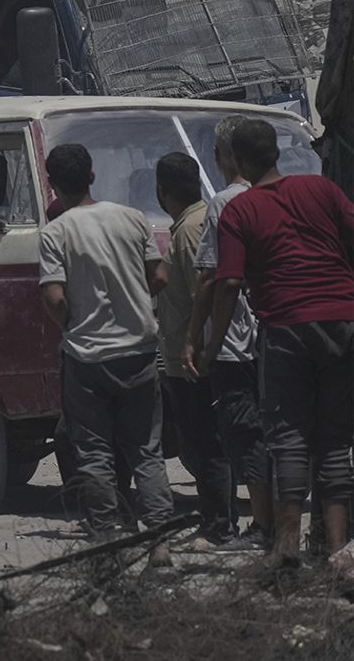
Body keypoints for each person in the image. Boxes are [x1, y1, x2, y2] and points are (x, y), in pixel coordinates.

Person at [205, 118, 354, 569]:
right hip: (342, 322)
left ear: (238, 160)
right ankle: (339, 552)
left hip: (286, 327)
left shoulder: (239, 211)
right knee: (334, 442)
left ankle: (285, 549)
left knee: (289, 440)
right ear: (277, 153)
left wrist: (210, 349)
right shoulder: (321, 189)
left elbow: (229, 283)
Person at [37, 143, 172, 561]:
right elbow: (160, 276)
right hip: (139, 352)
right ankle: (161, 544)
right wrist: (133, 299)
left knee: (94, 453)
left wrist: (73, 322)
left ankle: (107, 542)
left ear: (53, 185)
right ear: (92, 176)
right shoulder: (132, 218)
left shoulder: (56, 232)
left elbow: (54, 298)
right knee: (146, 451)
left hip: (87, 358)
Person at [189, 115, 271, 552]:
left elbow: (212, 279)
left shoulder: (223, 204)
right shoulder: (275, 196)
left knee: (244, 432)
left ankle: (262, 525)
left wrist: (198, 338)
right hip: (274, 335)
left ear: (224, 156)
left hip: (235, 342)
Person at [154, 152, 233, 547]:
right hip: (198, 353)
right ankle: (217, 520)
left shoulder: (188, 231)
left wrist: (194, 346)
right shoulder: (201, 220)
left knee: (204, 443)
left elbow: (200, 293)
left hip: (192, 359)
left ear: (161, 191)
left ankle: (218, 526)